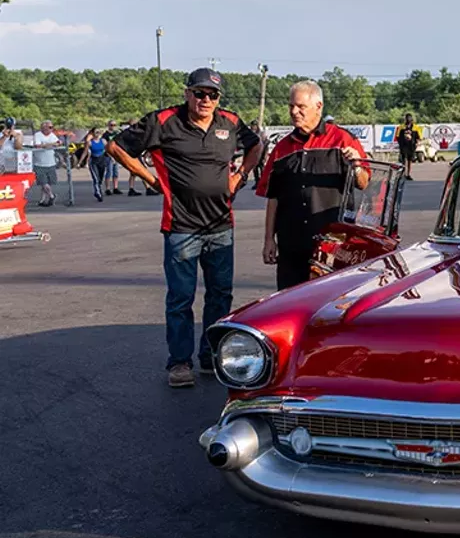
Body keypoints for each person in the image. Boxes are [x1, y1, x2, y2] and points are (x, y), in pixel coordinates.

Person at [106, 68, 263, 388]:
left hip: (221, 224)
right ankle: (179, 362)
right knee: (180, 298)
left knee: (220, 296)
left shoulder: (229, 122)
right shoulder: (163, 121)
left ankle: (212, 356)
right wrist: (151, 180)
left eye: (213, 95)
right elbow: (117, 147)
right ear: (187, 92)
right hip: (181, 227)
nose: (206, 100)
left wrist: (240, 176)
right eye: (200, 93)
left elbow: (256, 145)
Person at [257, 80, 369, 291]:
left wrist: (355, 165)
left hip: (333, 246)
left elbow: (363, 183)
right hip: (291, 246)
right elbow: (273, 197)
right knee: (289, 304)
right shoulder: (282, 149)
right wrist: (268, 240)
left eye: (301, 106)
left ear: (318, 106)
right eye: (291, 106)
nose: (294, 111)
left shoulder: (342, 140)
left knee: (330, 303)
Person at [32, 121, 61, 208]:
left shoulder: (52, 135)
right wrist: (52, 144)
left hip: (50, 162)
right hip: (39, 163)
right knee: (43, 182)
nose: (51, 129)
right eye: (49, 127)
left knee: (48, 183)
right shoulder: (38, 135)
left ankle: (43, 200)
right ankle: (52, 196)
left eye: (52, 127)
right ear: (43, 127)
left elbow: (59, 143)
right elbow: (38, 145)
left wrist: (47, 145)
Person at [85, 128, 110, 201]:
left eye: (99, 132)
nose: (97, 134)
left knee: (100, 179)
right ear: (92, 134)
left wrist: (113, 158)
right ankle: (98, 193)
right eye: (96, 132)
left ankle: (98, 190)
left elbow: (108, 150)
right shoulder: (90, 142)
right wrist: (80, 162)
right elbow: (85, 152)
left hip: (102, 161)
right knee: (96, 178)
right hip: (93, 161)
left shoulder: (103, 141)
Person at [394, 113, 420, 181]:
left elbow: (418, 137)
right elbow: (397, 137)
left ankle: (408, 174)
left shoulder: (415, 127)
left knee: (409, 160)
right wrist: (401, 144)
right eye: (407, 119)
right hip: (404, 146)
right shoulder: (401, 127)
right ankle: (403, 174)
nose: (408, 120)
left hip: (411, 146)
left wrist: (416, 144)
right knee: (403, 160)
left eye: (409, 119)